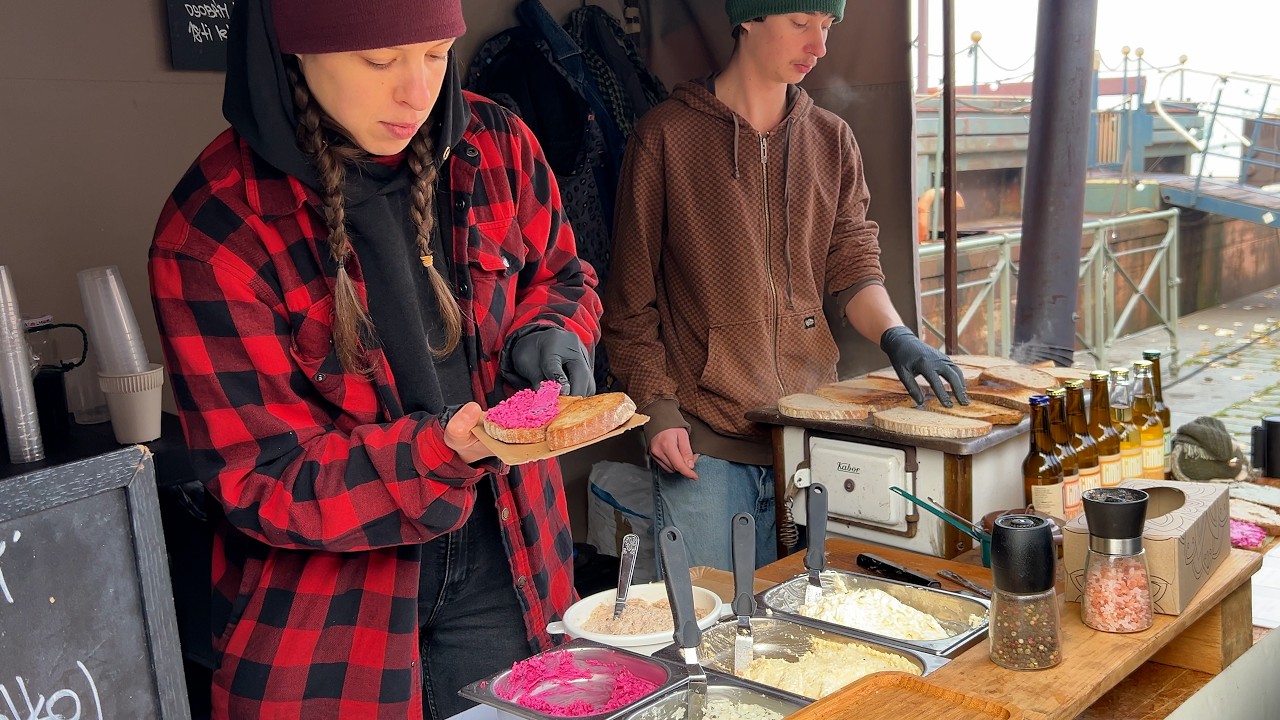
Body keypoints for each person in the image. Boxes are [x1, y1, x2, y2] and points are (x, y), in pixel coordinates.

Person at [148, 0, 601, 717]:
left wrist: (552, 330)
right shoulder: (215, 226)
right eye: (378, 60)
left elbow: (562, 274)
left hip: (509, 562)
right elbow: (261, 480)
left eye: (433, 54)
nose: (416, 93)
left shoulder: (497, 144)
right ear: (291, 50)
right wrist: (442, 450)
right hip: (330, 614)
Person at [602, 0, 968, 572]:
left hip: (813, 436)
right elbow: (628, 301)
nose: (818, 47)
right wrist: (658, 408)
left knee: (811, 633)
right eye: (801, 24)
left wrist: (898, 336)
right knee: (713, 628)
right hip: (703, 444)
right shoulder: (665, 138)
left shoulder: (832, 139)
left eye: (825, 28)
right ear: (748, 17)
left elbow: (854, 266)